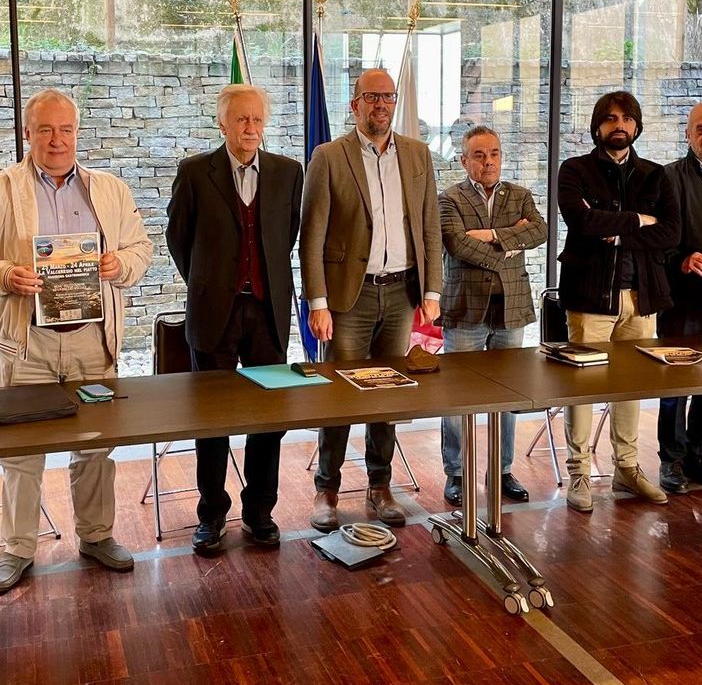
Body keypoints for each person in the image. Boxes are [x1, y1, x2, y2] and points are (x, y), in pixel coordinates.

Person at [0, 89, 153, 593]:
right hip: (29, 342)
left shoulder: (108, 189)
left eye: (65, 129)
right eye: (45, 129)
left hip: (91, 340)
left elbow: (141, 248)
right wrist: (6, 275)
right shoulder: (4, 188)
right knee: (21, 451)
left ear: (77, 133)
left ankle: (97, 535)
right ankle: (16, 548)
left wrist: (119, 264)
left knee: (96, 445)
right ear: (27, 133)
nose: (57, 139)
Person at [300, 68, 442, 532]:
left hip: (401, 294)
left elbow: (429, 226)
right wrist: (317, 302)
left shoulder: (418, 154)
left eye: (388, 96)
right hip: (349, 298)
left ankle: (380, 486)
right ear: (355, 104)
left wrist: (432, 290)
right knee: (340, 395)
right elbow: (312, 235)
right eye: (371, 96)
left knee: (388, 393)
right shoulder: (328, 156)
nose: (381, 104)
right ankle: (327, 488)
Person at [167, 84, 302, 551]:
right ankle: (211, 515)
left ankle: (260, 511)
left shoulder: (288, 172)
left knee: (269, 416)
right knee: (212, 419)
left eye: (257, 119)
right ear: (222, 123)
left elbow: (286, 236)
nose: (250, 128)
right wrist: (209, 283)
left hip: (266, 312)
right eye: (241, 119)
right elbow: (178, 238)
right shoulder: (194, 172)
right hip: (214, 314)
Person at [557, 90, 680, 513]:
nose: (619, 125)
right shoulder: (574, 170)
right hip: (590, 298)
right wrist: (639, 220)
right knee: (583, 387)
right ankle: (579, 472)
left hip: (642, 297)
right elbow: (582, 221)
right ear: (597, 126)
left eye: (627, 119)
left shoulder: (655, 175)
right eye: (611, 118)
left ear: (637, 126)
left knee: (632, 386)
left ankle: (626, 467)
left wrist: (618, 233)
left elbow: (671, 233)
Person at [439, 126, 547, 506]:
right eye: (479, 155)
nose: (488, 161)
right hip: (465, 307)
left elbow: (540, 231)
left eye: (494, 153)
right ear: (464, 160)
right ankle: (456, 473)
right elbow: (458, 244)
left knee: (509, 394)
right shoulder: (449, 199)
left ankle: (501, 470)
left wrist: (488, 235)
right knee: (457, 396)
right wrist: (510, 241)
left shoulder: (520, 195)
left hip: (510, 308)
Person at [658, 102, 702, 494]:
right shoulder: (669, 178)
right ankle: (670, 458)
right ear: (687, 134)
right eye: (700, 129)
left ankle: (698, 455)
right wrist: (683, 260)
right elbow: (656, 241)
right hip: (680, 296)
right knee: (675, 381)